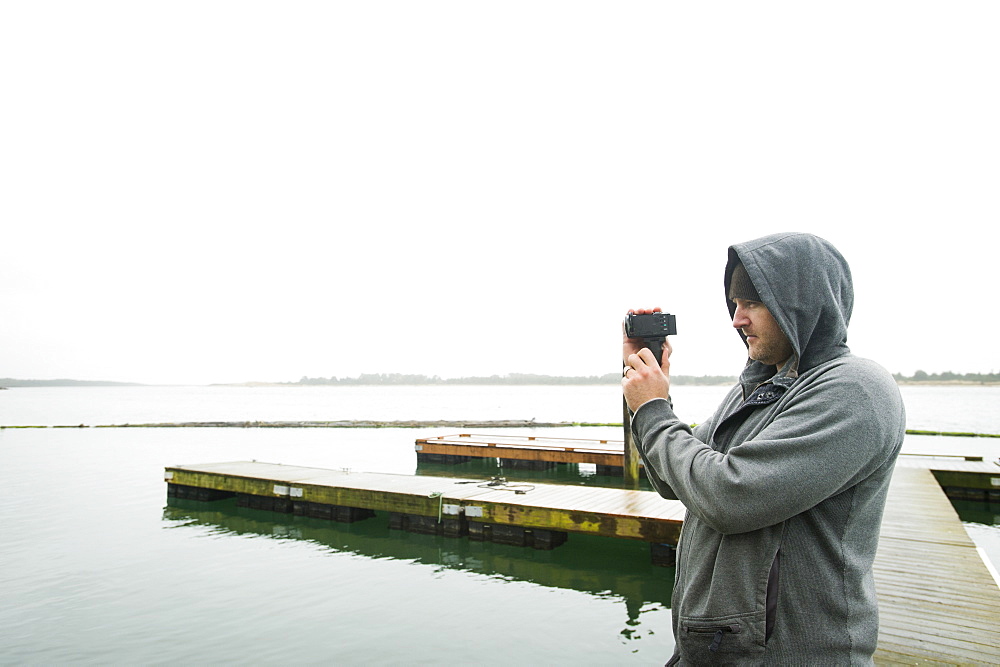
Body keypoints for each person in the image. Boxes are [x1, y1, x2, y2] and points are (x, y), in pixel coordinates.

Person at [622, 232, 905, 665]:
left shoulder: (855, 389)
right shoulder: (758, 387)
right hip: (719, 649)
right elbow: (669, 480)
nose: (737, 320)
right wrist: (644, 382)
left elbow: (729, 496)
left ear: (802, 301)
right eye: (734, 305)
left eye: (752, 302)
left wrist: (654, 410)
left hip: (788, 653)